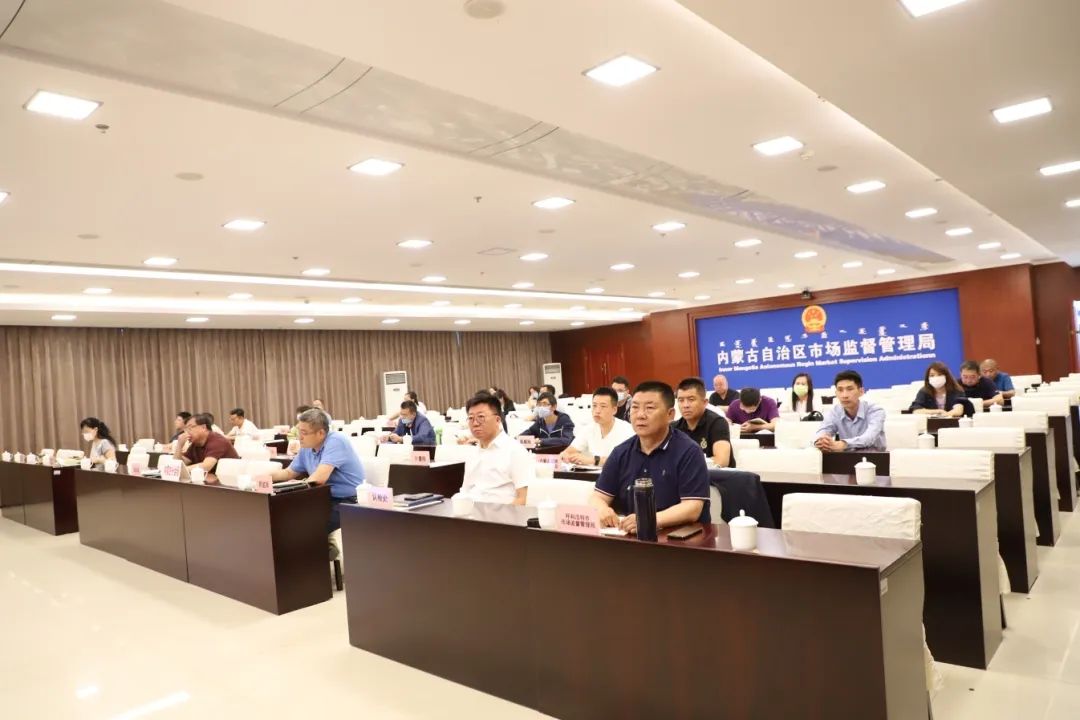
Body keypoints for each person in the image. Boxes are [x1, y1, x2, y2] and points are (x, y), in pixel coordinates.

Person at [590, 381, 710, 533]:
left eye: (650, 408)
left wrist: (648, 519)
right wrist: (602, 510)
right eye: (635, 407)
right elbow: (597, 497)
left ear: (670, 414)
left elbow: (692, 508)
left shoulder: (689, 451)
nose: (640, 415)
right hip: (630, 536)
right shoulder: (621, 452)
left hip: (679, 538)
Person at [269, 409, 364, 533]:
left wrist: (295, 485)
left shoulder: (336, 441)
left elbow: (318, 479)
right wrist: (261, 477)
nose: (299, 437)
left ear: (321, 433)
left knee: (306, 526)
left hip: (347, 501)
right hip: (322, 497)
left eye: (304, 433)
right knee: (282, 516)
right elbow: (288, 473)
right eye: (298, 431)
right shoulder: (307, 447)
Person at [458, 393, 529, 504]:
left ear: (497, 420)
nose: (475, 423)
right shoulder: (472, 453)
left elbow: (523, 499)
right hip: (471, 511)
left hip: (502, 513)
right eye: (471, 418)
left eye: (481, 417)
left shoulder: (515, 451)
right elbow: (465, 491)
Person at [559, 387, 635, 467]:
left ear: (614, 410)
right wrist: (566, 455)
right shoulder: (588, 429)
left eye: (603, 406)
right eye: (594, 405)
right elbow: (569, 452)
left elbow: (627, 460)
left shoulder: (627, 430)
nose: (597, 411)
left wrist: (593, 460)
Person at [814, 370, 886, 452]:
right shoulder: (835, 412)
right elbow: (823, 431)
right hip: (846, 457)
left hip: (875, 457)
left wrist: (844, 444)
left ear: (861, 391)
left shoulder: (876, 411)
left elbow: (869, 438)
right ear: (836, 393)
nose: (844, 395)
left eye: (850, 389)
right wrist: (821, 441)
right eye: (840, 390)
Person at [672, 377, 733, 467]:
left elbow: (721, 461)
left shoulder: (718, 423)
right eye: (681, 400)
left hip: (715, 475)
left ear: (705, 402)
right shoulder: (674, 428)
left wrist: (683, 465)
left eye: (691, 399)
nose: (685, 405)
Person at [173, 413, 239, 474]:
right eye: (186, 429)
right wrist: (179, 445)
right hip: (209, 478)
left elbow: (206, 466)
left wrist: (178, 470)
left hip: (229, 479)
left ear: (203, 427)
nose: (187, 432)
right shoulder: (196, 442)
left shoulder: (217, 440)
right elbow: (180, 464)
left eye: (190, 428)